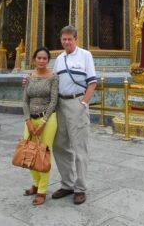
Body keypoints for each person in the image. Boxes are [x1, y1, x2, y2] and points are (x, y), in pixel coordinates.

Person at [51, 25, 97, 205]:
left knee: (79, 148)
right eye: (64, 39)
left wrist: (83, 103)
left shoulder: (85, 55)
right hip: (60, 105)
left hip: (77, 102)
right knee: (59, 145)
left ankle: (80, 188)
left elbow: (92, 83)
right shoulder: (59, 59)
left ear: (76, 39)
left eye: (70, 39)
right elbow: (53, 81)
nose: (67, 42)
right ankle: (67, 183)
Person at [21, 47, 59, 206]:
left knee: (43, 155)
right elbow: (25, 101)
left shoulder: (53, 78)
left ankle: (42, 190)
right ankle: (35, 184)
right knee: (29, 152)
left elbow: (54, 101)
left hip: (48, 120)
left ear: (48, 60)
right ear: (34, 59)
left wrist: (44, 122)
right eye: (39, 58)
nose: (42, 61)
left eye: (45, 58)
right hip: (31, 119)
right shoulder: (29, 78)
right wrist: (28, 121)